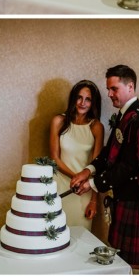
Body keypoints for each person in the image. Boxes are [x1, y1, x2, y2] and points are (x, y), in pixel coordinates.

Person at [70, 65, 139, 271]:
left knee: (133, 266)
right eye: (108, 89)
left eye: (114, 89)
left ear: (130, 86)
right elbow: (109, 153)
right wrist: (87, 171)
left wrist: (93, 184)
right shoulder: (125, 116)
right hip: (125, 199)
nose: (109, 94)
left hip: (137, 202)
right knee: (121, 262)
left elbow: (129, 166)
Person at [49, 80, 105, 230]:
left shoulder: (96, 127)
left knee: (81, 238)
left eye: (88, 99)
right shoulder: (58, 121)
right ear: (73, 98)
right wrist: (76, 177)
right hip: (60, 187)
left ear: (93, 103)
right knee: (55, 235)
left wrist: (94, 200)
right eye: (79, 97)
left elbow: (97, 165)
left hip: (84, 191)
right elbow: (54, 158)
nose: (82, 103)